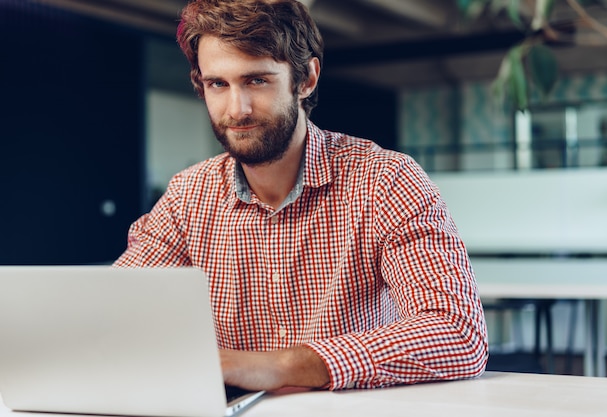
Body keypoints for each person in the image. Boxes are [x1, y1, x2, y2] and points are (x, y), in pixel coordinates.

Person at [115, 0, 488, 392]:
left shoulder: (385, 180)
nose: (236, 109)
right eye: (218, 85)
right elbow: (114, 312)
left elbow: (458, 332)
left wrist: (285, 366)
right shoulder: (188, 195)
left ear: (306, 78)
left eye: (257, 80)